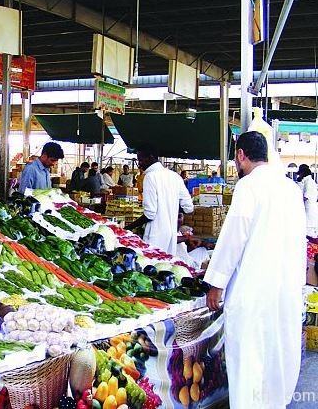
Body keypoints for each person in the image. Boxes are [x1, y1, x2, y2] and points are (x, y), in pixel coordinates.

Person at [205, 131, 306, 409]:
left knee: (250, 361)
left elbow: (234, 236)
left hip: (253, 290)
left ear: (241, 155)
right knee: (277, 358)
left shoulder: (248, 186)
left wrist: (216, 284)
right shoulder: (291, 189)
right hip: (285, 289)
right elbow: (300, 242)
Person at [126, 146, 194, 255]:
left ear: (150, 157)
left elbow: (150, 214)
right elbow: (189, 208)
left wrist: (128, 228)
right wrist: (170, 206)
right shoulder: (175, 176)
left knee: (153, 263)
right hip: (171, 235)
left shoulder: (150, 177)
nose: (139, 164)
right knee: (166, 263)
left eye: (140, 159)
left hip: (155, 235)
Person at [296, 163, 318, 237]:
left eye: (300, 174)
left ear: (303, 173)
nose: (299, 176)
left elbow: (306, 196)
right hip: (309, 208)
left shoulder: (309, 182)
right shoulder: (307, 181)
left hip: (309, 209)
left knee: (309, 231)